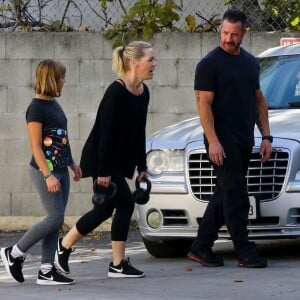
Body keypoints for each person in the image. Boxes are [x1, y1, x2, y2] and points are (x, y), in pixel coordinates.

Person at [54, 41, 156, 278]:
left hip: (120, 161)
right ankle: (117, 264)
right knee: (126, 205)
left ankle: (63, 246)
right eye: (150, 59)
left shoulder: (143, 92)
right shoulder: (116, 92)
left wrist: (142, 167)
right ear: (134, 62)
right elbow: (105, 133)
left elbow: (138, 131)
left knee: (102, 211)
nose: (154, 64)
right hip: (103, 159)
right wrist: (103, 171)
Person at [187, 9, 272, 268]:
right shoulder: (209, 64)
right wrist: (212, 140)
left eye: (234, 34)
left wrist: (266, 136)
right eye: (224, 33)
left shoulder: (249, 62)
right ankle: (245, 252)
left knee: (224, 193)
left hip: (244, 138)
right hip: (221, 141)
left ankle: (200, 247)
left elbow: (258, 101)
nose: (228, 38)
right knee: (236, 194)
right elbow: (203, 104)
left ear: (244, 33)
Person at [0, 59, 82, 285]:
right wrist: (47, 174)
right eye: (61, 77)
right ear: (51, 79)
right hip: (44, 171)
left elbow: (60, 138)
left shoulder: (54, 104)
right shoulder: (36, 108)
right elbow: (36, 146)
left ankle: (46, 270)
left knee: (56, 221)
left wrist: (72, 162)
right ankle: (14, 252)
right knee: (55, 217)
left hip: (61, 170)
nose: (64, 81)